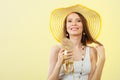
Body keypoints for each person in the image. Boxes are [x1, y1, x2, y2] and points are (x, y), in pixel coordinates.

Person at [48, 4, 105, 80]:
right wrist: (59, 63)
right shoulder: (57, 49)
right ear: (66, 27)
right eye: (70, 21)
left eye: (78, 21)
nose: (74, 24)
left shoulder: (91, 51)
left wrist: (102, 59)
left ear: (83, 26)